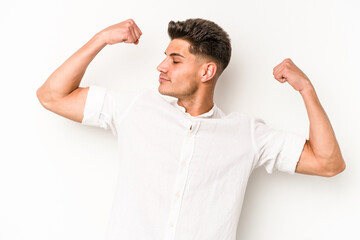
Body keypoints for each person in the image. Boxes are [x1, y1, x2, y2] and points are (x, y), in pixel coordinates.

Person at [36, 18, 346, 240]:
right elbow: (51, 95)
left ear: (207, 71)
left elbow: (328, 163)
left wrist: (306, 89)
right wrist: (100, 39)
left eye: (175, 59)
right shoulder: (136, 109)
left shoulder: (246, 134)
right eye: (164, 58)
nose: (161, 66)